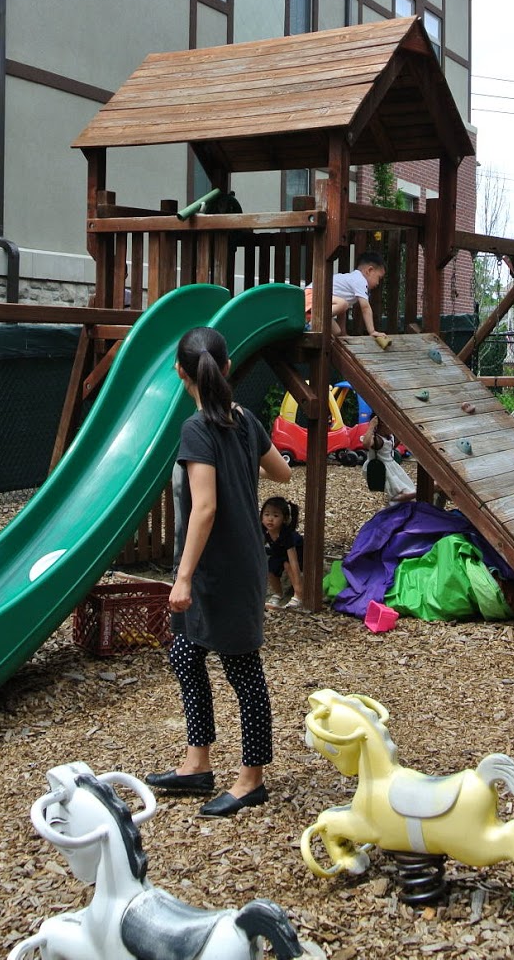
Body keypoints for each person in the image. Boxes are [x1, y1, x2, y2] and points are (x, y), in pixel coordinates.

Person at [145, 327, 291, 818]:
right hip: (222, 566)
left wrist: (181, 577)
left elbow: (203, 509)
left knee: (243, 672)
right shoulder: (243, 420)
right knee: (186, 655)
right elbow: (283, 474)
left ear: (180, 373)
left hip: (221, 570)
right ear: (226, 369)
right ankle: (197, 763)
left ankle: (251, 780)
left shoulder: (198, 429)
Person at [304, 251, 386, 336]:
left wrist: (343, 333)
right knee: (343, 303)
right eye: (379, 278)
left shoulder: (352, 282)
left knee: (337, 331)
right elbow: (365, 307)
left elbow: (342, 311)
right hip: (313, 295)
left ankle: (312, 319)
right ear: (369, 270)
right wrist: (372, 331)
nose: (378, 283)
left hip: (315, 303)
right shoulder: (360, 280)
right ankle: (314, 319)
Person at [261, 496, 304, 611]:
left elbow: (293, 560)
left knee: (288, 565)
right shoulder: (264, 530)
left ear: (284, 519)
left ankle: (298, 595)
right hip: (279, 553)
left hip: (298, 554)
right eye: (267, 514)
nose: (270, 519)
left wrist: (299, 587)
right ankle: (278, 593)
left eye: (275, 516)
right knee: (270, 568)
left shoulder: (286, 535)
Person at [362, 417, 416, 504]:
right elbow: (365, 444)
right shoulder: (377, 439)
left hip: (392, 466)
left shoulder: (389, 436)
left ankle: (403, 503)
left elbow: (390, 448)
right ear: (383, 425)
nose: (393, 428)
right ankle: (396, 506)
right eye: (391, 425)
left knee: (407, 486)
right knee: (398, 492)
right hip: (381, 468)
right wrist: (371, 426)